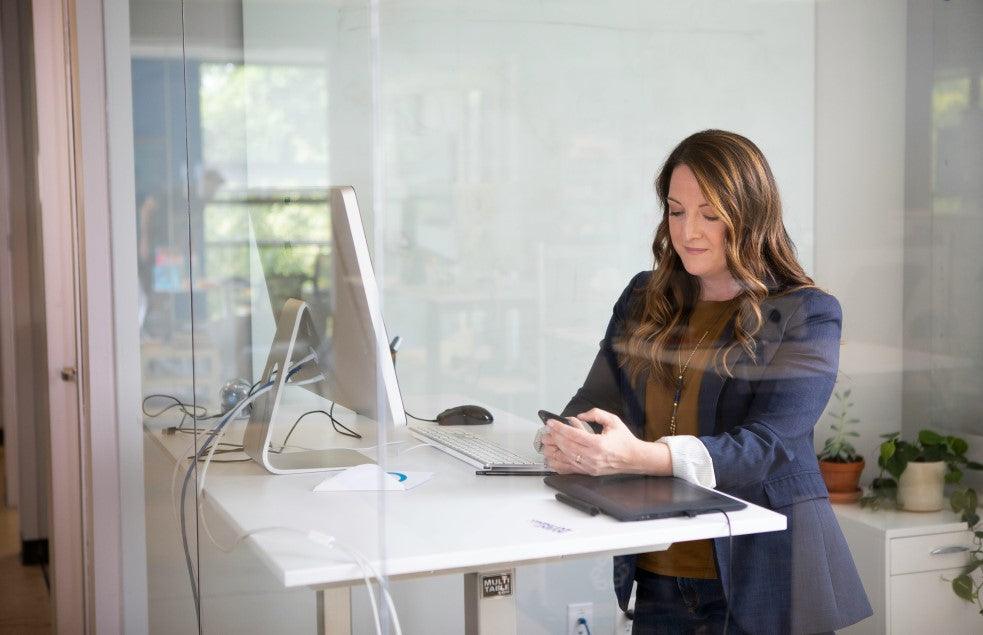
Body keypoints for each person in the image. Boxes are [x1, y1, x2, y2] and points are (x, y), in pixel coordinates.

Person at [539, 130, 872, 634]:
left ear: (750, 214)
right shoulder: (644, 297)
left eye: (710, 214)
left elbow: (768, 446)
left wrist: (635, 456)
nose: (688, 231)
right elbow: (592, 403)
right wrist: (568, 440)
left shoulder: (807, 313)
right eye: (676, 211)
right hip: (659, 575)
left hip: (766, 580)